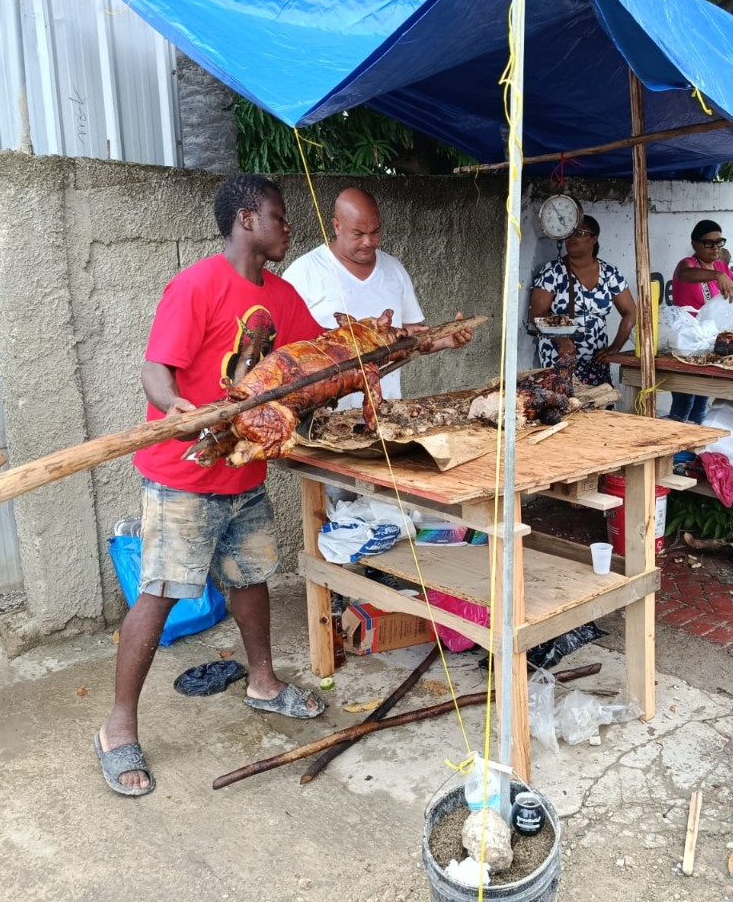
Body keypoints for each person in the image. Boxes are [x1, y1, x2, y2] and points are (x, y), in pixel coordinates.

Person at [95, 174, 330, 797]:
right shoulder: (196, 284)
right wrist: (173, 406)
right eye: (279, 217)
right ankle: (118, 729)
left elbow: (317, 356)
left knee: (251, 579)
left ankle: (263, 682)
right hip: (185, 475)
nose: (287, 229)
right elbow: (155, 367)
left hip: (244, 470)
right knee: (163, 592)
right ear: (247, 219)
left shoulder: (280, 297)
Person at [282, 187, 469, 408]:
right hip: (322, 417)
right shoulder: (303, 273)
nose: (369, 241)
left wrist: (445, 339)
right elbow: (288, 355)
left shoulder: (394, 270)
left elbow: (414, 338)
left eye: (375, 232)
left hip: (385, 413)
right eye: (358, 234)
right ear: (336, 226)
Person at [666, 220, 733, 424]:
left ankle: (691, 452)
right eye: (709, 243)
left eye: (719, 242)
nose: (715, 248)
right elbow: (685, 275)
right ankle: (675, 451)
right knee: (683, 403)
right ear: (695, 245)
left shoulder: (721, 266)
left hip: (710, 345)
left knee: (701, 400)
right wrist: (716, 275)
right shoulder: (687, 265)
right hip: (687, 345)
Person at [527, 214, 637, 386]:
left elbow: (630, 312)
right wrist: (562, 339)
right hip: (561, 356)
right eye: (569, 233)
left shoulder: (610, 273)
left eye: (578, 232)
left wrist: (615, 348)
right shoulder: (552, 272)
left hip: (596, 360)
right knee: (562, 405)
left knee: (597, 406)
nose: (571, 237)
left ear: (594, 238)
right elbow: (536, 316)